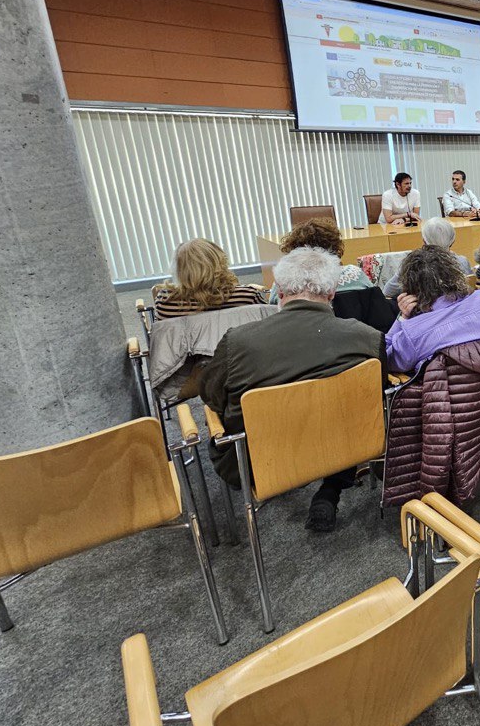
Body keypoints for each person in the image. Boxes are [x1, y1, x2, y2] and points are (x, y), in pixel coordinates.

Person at [198, 247, 385, 532]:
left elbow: (210, 396)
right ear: (332, 293)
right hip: (347, 445)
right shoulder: (367, 338)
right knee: (338, 412)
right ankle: (330, 489)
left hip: (261, 462)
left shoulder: (238, 342)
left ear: (280, 291)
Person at [385, 245, 480, 373]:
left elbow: (384, 360)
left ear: (413, 291)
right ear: (456, 273)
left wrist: (402, 318)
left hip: (454, 397)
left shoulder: (414, 333)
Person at [152, 238, 267, 319]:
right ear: (220, 263)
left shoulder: (165, 303)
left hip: (189, 354)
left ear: (179, 270)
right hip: (240, 353)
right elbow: (269, 321)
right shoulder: (246, 296)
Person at [270, 219, 373, 304]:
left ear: (294, 250)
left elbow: (273, 306)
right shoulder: (356, 275)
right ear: (335, 247)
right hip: (354, 327)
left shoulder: (283, 281)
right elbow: (373, 299)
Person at [380, 217, 469, 298]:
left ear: (424, 241)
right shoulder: (462, 262)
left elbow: (388, 291)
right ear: (453, 240)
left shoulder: (413, 265)